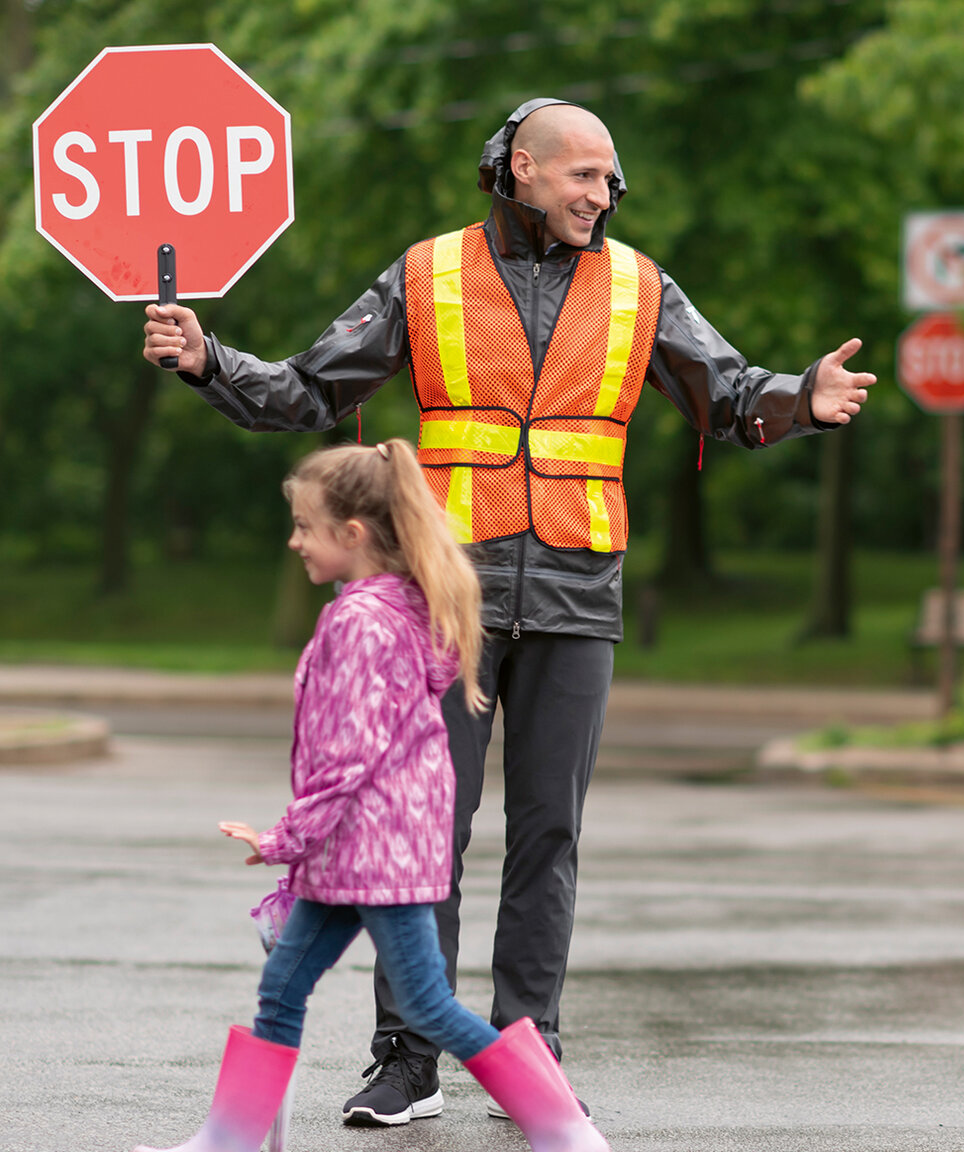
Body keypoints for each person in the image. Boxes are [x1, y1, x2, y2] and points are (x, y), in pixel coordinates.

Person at [141, 98, 875, 1126]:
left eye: (611, 180)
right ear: (519, 168)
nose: (604, 195)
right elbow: (309, 390)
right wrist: (208, 359)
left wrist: (803, 395)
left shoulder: (638, 285)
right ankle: (408, 1060)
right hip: (447, 599)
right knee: (422, 829)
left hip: (580, 593)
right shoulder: (428, 273)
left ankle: (530, 1051)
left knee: (549, 833)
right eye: (584, 175)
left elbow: (733, 394)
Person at [137, 441, 605, 1152]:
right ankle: (225, 1141)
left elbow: (346, 757)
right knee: (282, 990)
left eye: (303, 526)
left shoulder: (360, 623)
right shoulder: (394, 611)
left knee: (430, 1006)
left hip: (377, 860)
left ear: (351, 535)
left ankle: (563, 1129)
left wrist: (283, 839)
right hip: (354, 857)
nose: (293, 540)